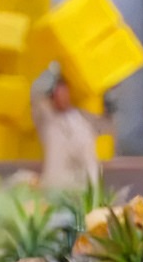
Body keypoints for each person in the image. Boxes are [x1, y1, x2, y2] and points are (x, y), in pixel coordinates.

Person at [31, 63, 116, 191]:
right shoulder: (47, 117)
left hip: (81, 189)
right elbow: (35, 94)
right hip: (54, 187)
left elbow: (106, 125)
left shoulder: (82, 119)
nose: (61, 95)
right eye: (58, 90)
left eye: (65, 90)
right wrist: (53, 72)